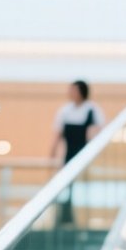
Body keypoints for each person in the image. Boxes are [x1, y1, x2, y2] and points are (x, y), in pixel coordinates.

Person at [50, 80, 103, 225]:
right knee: (67, 186)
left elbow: (98, 133)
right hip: (69, 154)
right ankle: (65, 217)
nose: (70, 93)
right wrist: (52, 154)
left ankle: (81, 218)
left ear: (81, 91)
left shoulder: (92, 109)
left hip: (85, 155)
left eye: (73, 90)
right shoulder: (65, 110)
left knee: (80, 186)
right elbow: (58, 134)